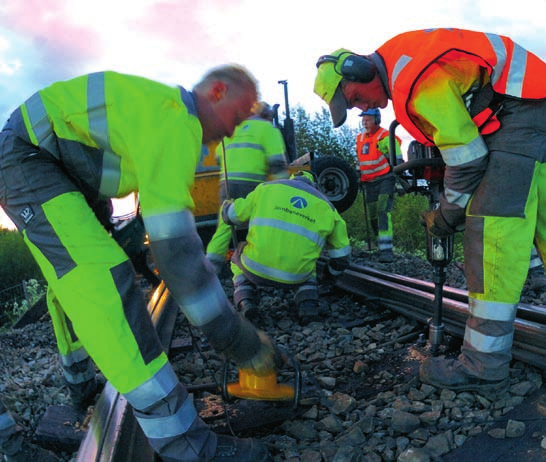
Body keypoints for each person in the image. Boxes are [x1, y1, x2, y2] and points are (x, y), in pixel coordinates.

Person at [0, 65, 279, 462]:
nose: (233, 131)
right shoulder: (176, 122)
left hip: (58, 163)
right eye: (237, 116)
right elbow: (178, 257)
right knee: (100, 280)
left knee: (74, 277)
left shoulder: (160, 111)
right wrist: (239, 341)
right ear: (217, 92)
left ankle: (80, 383)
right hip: (32, 157)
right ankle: (187, 446)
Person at [313, 27, 546, 397]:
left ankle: (483, 366)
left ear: (359, 71)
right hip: (528, 97)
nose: (360, 108)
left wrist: (446, 216)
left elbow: (470, 160)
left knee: (491, 225)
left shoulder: (414, 82)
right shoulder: (400, 63)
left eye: (353, 99)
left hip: (518, 106)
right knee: (540, 211)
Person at [220, 171, 351, 321]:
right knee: (310, 267)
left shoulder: (267, 189)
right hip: (296, 276)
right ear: (315, 187)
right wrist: (329, 274)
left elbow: (232, 216)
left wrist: (227, 207)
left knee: (238, 257)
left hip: (255, 268)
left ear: (292, 180)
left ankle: (246, 301)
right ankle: (308, 305)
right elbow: (342, 258)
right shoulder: (328, 208)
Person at [206, 102, 289, 274]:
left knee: (225, 224)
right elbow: (277, 163)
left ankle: (211, 266)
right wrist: (285, 189)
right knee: (260, 223)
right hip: (251, 184)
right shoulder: (267, 129)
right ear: (267, 115)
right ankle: (262, 264)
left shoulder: (233, 129)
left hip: (226, 183)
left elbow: (218, 158)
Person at [355, 108, 402, 262]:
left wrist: (400, 176)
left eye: (368, 119)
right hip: (369, 183)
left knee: (383, 211)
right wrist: (357, 173)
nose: (364, 122)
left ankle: (386, 250)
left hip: (385, 179)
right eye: (363, 120)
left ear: (377, 120)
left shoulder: (385, 136)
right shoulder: (360, 138)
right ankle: (379, 245)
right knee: (373, 216)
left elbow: (398, 158)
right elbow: (361, 159)